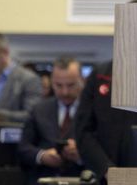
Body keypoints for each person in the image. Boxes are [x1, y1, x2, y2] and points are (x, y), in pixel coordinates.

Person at [18, 57, 84, 185]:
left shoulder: (93, 111)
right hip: (43, 179)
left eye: (71, 85)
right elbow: (23, 148)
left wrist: (82, 155)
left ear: (82, 80)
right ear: (52, 82)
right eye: (59, 85)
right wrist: (42, 156)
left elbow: (107, 153)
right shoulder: (39, 109)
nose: (65, 92)